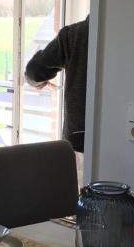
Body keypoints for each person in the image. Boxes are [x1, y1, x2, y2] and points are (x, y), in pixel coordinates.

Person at [25, 16, 89, 157]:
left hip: (79, 140)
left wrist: (40, 82)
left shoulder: (75, 35)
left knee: (72, 179)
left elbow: (34, 72)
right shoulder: (126, 35)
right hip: (118, 140)